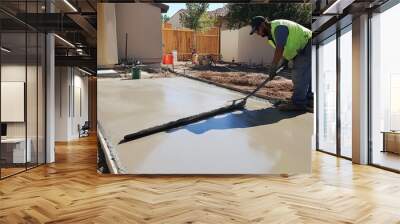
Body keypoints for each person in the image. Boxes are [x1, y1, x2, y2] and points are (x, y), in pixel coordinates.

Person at [250, 16, 313, 112]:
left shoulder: (279, 28)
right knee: (306, 74)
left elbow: (280, 48)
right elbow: (286, 48)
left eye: (257, 30)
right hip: (302, 46)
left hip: (307, 43)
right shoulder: (271, 35)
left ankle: (298, 103)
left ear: (263, 25)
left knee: (299, 74)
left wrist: (273, 66)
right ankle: (308, 99)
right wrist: (285, 60)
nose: (258, 34)